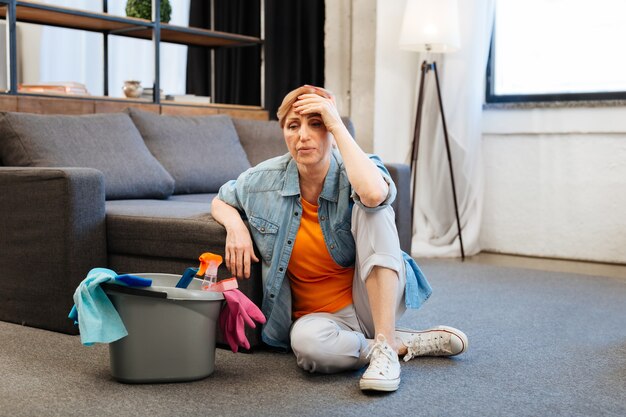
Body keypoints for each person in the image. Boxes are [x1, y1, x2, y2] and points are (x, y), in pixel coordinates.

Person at [212, 85, 468, 392]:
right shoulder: (261, 182)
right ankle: (394, 343)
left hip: (370, 301)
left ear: (332, 129)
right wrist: (235, 226)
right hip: (318, 320)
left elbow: (374, 193)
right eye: (293, 126)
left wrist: (336, 123)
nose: (303, 135)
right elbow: (221, 199)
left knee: (373, 208)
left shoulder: (357, 169)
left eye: (316, 123)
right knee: (308, 349)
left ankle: (385, 348)